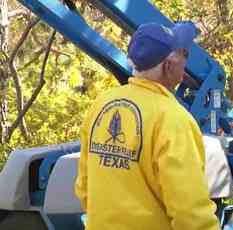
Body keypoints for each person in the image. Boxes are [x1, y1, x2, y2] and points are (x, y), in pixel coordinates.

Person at [75, 22, 220, 230]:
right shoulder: (174, 119)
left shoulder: (102, 104)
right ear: (169, 66)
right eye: (184, 55)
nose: (186, 64)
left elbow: (84, 187)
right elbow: (190, 214)